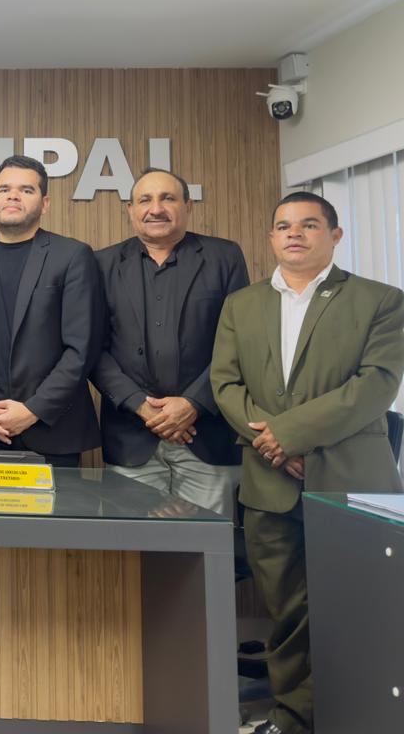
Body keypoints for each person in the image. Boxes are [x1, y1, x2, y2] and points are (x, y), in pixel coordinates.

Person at [212, 191, 404, 734]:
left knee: (359, 608)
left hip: (353, 482)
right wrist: (272, 446)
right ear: (272, 238)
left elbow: (376, 386)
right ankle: (294, 719)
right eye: (283, 226)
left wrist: (288, 436)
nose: (294, 234)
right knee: (290, 617)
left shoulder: (382, 300)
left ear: (335, 235)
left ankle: (358, 717)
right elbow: (225, 384)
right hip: (269, 484)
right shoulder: (241, 305)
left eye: (309, 225)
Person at [92, 168, 248, 516]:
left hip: (206, 435)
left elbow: (239, 343)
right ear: (130, 209)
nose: (156, 208)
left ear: (188, 205)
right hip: (132, 437)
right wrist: (141, 406)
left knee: (207, 553)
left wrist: (193, 403)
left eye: (168, 198)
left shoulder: (224, 258)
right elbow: (93, 349)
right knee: (135, 555)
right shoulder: (101, 265)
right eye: (145, 199)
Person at [0, 154, 104, 467]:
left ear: (44, 203)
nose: (13, 195)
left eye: (26, 190)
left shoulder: (73, 256)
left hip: (50, 431)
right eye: (4, 189)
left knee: (50, 518)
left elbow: (82, 349)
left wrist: (32, 410)